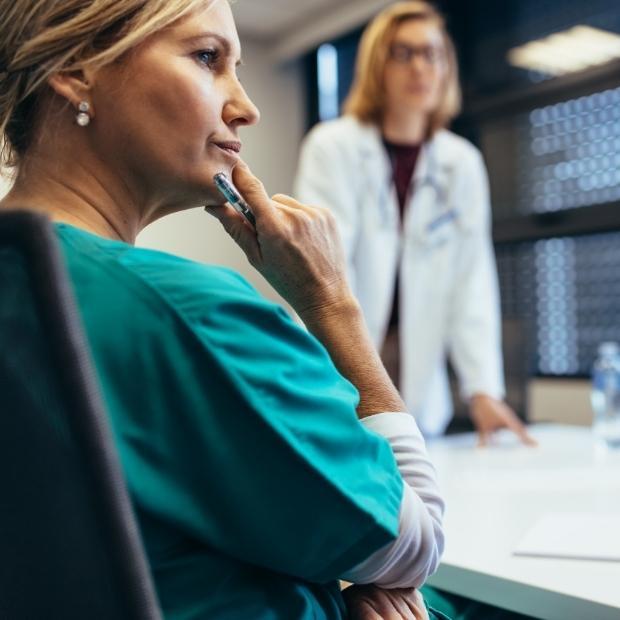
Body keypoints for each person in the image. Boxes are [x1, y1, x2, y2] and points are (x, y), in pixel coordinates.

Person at [0, 0, 448, 618]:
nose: (247, 106)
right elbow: (417, 543)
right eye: (208, 58)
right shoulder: (187, 314)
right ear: (77, 69)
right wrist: (332, 303)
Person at [295, 1, 535, 446]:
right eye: (402, 53)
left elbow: (471, 278)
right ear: (376, 65)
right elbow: (321, 264)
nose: (420, 67)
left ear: (446, 66)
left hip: (421, 371)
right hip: (349, 351)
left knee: (428, 490)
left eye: (432, 53)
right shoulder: (332, 147)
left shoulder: (460, 163)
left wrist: (483, 388)